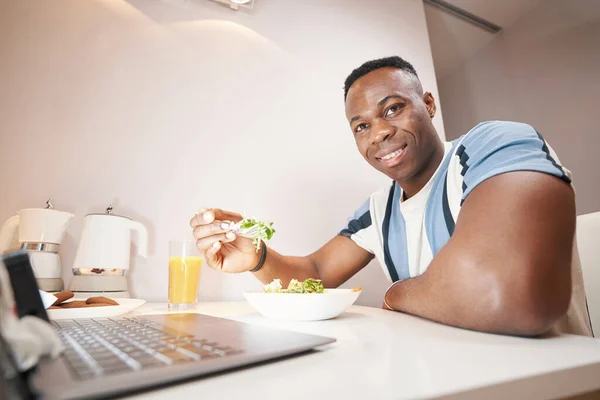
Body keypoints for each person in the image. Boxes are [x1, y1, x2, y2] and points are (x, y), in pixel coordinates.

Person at [190, 56, 593, 337]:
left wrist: (398, 293)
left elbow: (509, 294)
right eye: (361, 126)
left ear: (429, 104)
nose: (378, 133)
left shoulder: (494, 145)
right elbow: (313, 272)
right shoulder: (378, 209)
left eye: (393, 109)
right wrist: (258, 257)